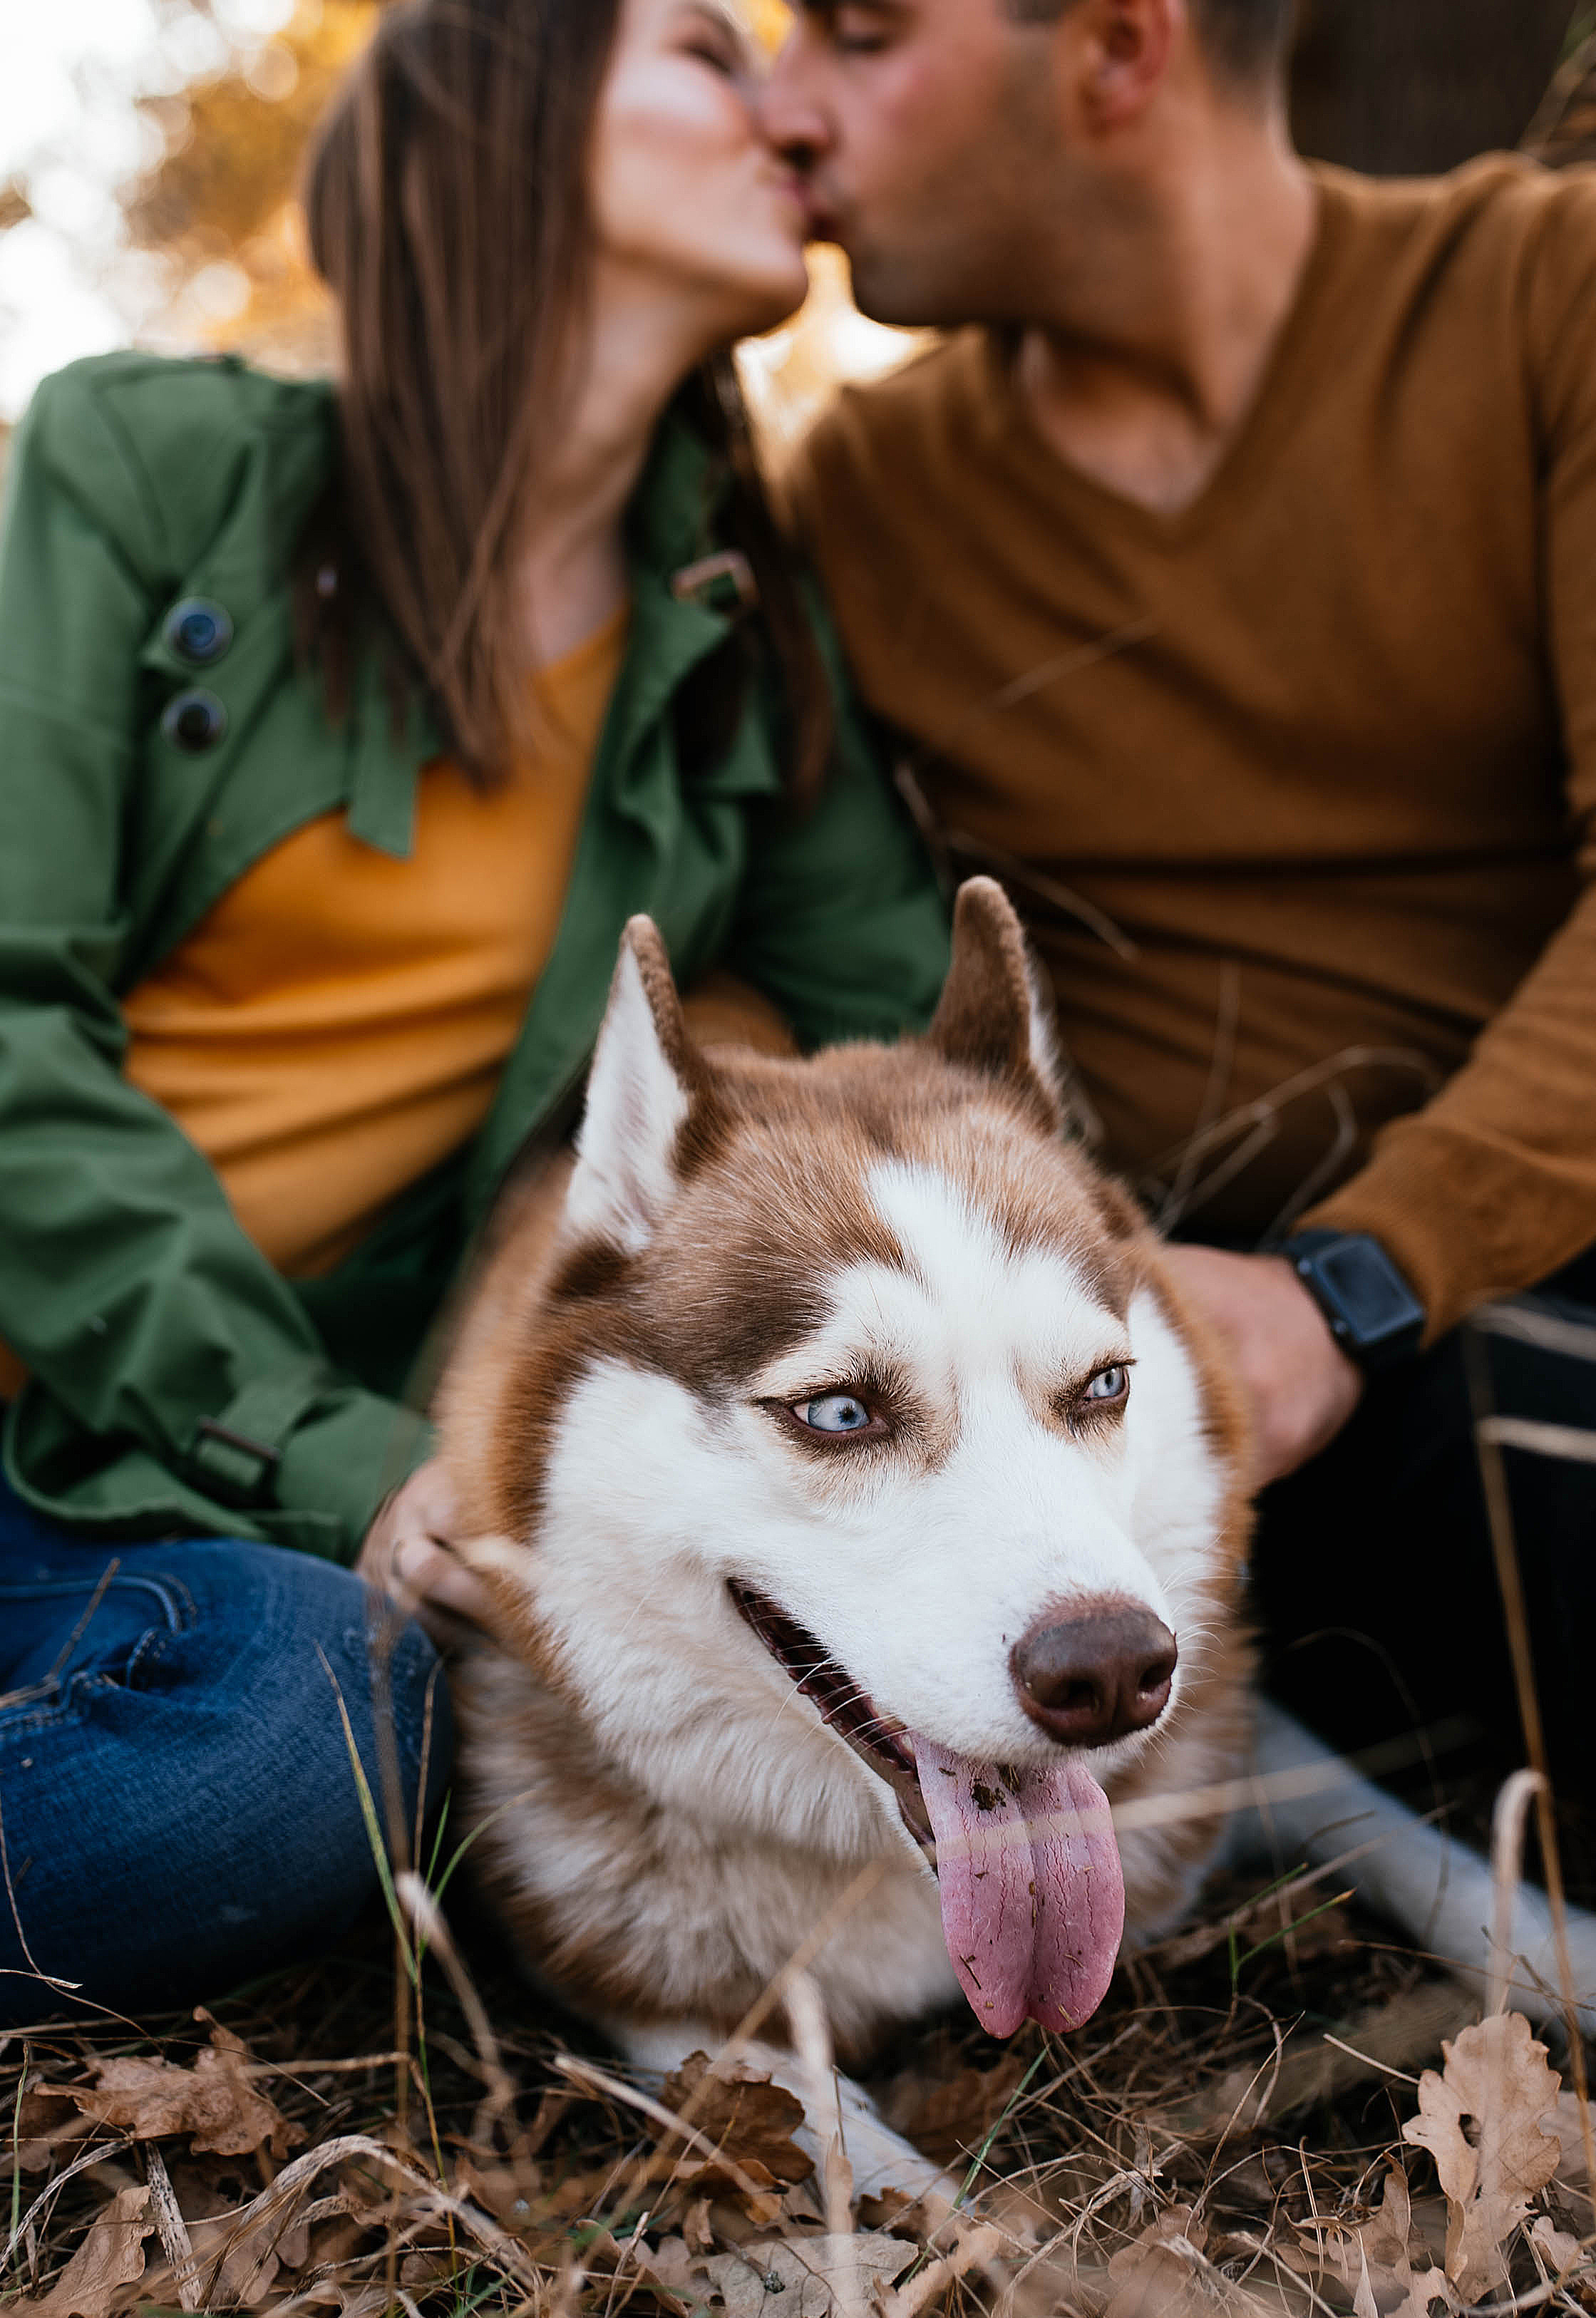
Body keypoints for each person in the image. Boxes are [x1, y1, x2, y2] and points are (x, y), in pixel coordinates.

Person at [0, 0, 949, 2026]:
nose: (785, 104)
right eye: (707, 49)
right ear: (494, 125)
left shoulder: (729, 649)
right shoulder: (146, 470)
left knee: (321, 1731)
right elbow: (10, 1017)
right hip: (132, 1404)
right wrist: (348, 1465)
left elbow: (925, 1074)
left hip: (164, 1505)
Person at [766, 0, 1596, 1839]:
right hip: (1304, 1381)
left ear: (1113, 53)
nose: (788, 110)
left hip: (1500, 1243)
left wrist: (1360, 1278)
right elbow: (753, 948)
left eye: (859, 38)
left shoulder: (1572, 297)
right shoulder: (859, 506)